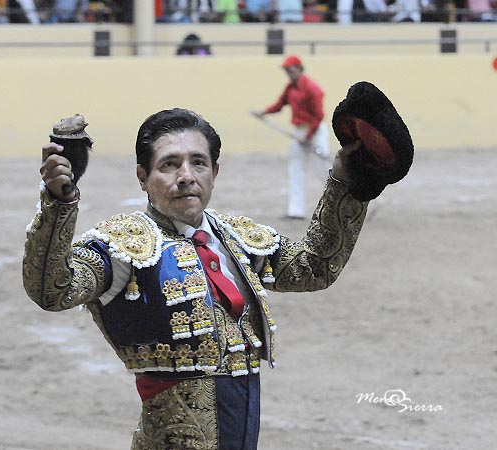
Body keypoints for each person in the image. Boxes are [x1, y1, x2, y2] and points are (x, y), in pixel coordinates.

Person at [22, 107, 369, 449]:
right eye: (170, 164)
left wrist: (346, 183)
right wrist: (58, 202)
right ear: (143, 176)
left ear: (214, 172)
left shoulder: (236, 236)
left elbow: (313, 268)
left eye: (198, 163)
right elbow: (53, 290)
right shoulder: (123, 245)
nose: (186, 176)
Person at [252, 54, 330, 220]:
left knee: (323, 170)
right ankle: (296, 210)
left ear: (300, 69)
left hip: (314, 131)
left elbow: (318, 116)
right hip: (299, 132)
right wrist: (264, 112)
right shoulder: (290, 88)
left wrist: (308, 136)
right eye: (287, 71)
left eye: (291, 70)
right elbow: (279, 105)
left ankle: (336, 209)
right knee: (295, 169)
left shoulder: (312, 88)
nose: (289, 73)